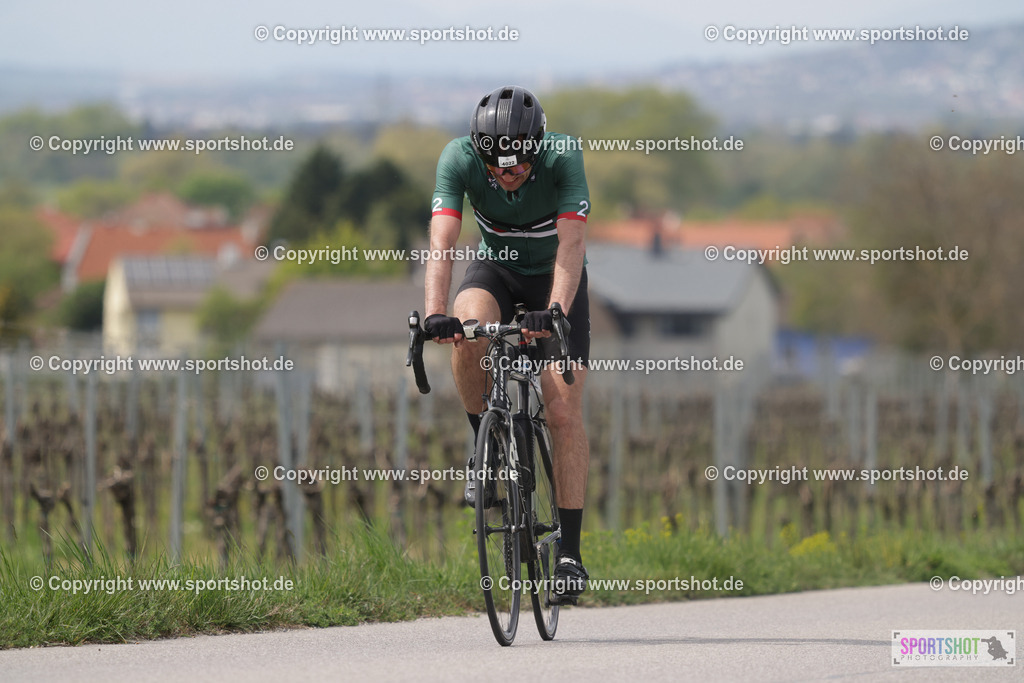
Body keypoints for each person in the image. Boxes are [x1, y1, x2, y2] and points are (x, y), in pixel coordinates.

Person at [423, 85, 590, 604]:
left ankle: (569, 552)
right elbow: (443, 241)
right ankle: (486, 448)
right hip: (495, 269)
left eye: (517, 166)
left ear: (536, 148)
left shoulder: (563, 155)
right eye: (496, 167)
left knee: (560, 407)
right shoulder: (459, 158)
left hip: (555, 279)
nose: (506, 174)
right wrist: (434, 312)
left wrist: (556, 310)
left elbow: (572, 243)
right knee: (467, 331)